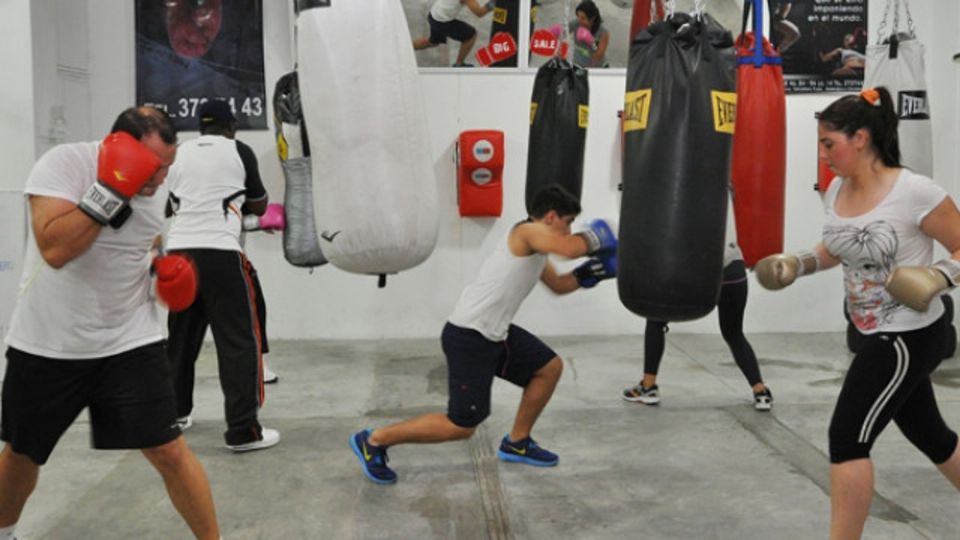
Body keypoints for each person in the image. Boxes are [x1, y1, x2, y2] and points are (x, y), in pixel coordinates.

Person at [0, 107, 220, 539]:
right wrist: (110, 190)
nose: (160, 179)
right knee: (23, 454)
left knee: (169, 450)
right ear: (119, 147)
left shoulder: (158, 186)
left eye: (168, 168)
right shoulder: (63, 165)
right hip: (49, 343)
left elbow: (147, 240)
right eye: (154, 168)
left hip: (129, 342)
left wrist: (164, 270)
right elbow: (55, 249)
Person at [755, 87, 960, 539]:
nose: (823, 154)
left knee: (847, 438)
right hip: (868, 330)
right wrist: (798, 263)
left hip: (909, 336)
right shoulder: (837, 189)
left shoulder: (915, 191)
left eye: (830, 143)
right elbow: (837, 248)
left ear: (862, 138)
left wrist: (939, 276)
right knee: (933, 436)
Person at [350, 185, 617, 484]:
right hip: (470, 336)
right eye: (568, 223)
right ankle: (373, 440)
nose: (569, 230)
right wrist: (602, 235)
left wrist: (593, 272)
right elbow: (570, 249)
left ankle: (517, 441)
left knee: (548, 367)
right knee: (462, 426)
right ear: (552, 217)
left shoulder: (538, 249)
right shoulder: (526, 232)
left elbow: (558, 285)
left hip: (496, 334)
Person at [164, 100, 279, 452]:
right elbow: (259, 204)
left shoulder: (179, 152)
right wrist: (242, 203)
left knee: (180, 341)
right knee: (239, 342)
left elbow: (172, 205)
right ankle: (243, 430)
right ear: (231, 126)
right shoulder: (238, 150)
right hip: (220, 254)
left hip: (179, 253)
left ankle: (175, 415)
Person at [623, 242, 773, 410]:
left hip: (695, 271)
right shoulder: (723, 214)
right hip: (733, 270)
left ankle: (648, 387)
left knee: (655, 319)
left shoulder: (678, 218)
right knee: (734, 333)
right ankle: (761, 392)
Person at [413, 0, 495, 67]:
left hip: (434, 15)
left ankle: (407, 47)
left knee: (433, 42)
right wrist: (494, 3)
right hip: (442, 22)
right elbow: (479, 12)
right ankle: (459, 64)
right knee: (470, 35)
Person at [568, 0, 610, 68]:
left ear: (592, 18)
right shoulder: (576, 23)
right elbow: (564, 31)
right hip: (577, 65)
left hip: (597, 69)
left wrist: (591, 41)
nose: (579, 20)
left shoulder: (603, 32)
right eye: (578, 16)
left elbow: (599, 56)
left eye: (583, 18)